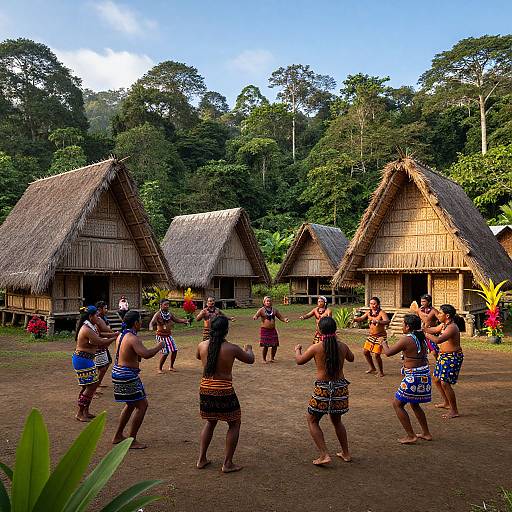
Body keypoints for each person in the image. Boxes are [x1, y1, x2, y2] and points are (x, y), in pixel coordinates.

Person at [196, 316, 254, 473]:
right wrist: (249, 348)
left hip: (206, 388)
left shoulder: (202, 345)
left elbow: (198, 356)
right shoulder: (232, 348)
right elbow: (250, 359)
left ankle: (201, 459)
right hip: (223, 389)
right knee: (234, 423)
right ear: (226, 330)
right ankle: (227, 463)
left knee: (210, 421)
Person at [294, 317, 354, 466]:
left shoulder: (316, 347)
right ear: (335, 330)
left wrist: (297, 350)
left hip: (323, 388)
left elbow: (299, 360)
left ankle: (324, 454)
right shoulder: (342, 346)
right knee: (337, 420)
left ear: (319, 330)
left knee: (312, 420)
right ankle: (346, 453)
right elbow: (351, 358)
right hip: (340, 387)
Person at [112, 310, 165, 449]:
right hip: (127, 375)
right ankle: (131, 439)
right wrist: (160, 346)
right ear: (135, 323)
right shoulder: (132, 338)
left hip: (119, 373)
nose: (141, 322)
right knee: (142, 405)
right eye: (140, 320)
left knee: (130, 404)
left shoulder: (121, 335)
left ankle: (118, 435)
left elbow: (130, 354)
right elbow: (146, 354)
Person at [381, 314, 433, 444]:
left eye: (403, 324)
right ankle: (426, 433)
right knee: (415, 404)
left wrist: (384, 343)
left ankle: (411, 435)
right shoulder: (420, 336)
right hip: (423, 374)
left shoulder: (407, 339)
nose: (402, 326)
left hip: (413, 377)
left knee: (397, 404)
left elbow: (388, 353)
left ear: (408, 326)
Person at [72, 306, 114, 422]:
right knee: (91, 386)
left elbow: (101, 335)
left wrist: (115, 334)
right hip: (82, 360)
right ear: (90, 316)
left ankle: (85, 410)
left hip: (87, 359)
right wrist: (115, 338)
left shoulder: (92, 326)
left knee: (89, 386)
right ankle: (80, 413)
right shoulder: (86, 329)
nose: (98, 317)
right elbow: (100, 341)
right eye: (96, 315)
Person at [424, 304, 464, 419]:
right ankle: (446, 403)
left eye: (440, 313)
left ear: (447, 315)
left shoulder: (452, 327)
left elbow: (438, 340)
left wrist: (425, 334)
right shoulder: (444, 325)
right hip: (444, 356)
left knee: (445, 383)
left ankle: (454, 410)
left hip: (452, 357)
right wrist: (423, 327)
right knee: (436, 379)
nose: (438, 315)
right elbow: (433, 329)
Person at [149, 299, 189, 373]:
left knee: (174, 350)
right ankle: (159, 368)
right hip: (160, 336)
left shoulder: (169, 314)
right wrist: (151, 327)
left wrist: (184, 321)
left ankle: (171, 366)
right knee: (165, 352)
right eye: (165, 304)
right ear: (161, 305)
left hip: (168, 335)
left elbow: (176, 320)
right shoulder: (158, 314)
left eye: (168, 304)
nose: (167, 306)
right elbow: (152, 322)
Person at [353, 297, 389, 377]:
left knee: (376, 355)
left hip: (380, 336)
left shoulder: (381, 313)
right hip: (372, 336)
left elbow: (387, 321)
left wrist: (378, 321)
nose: (372, 305)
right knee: (365, 352)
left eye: (374, 303)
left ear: (378, 304)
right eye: (371, 304)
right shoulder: (369, 312)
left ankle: (381, 372)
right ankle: (372, 368)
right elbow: (361, 318)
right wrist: (355, 319)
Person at [253, 296, 289, 363]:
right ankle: (264, 359)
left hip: (272, 330)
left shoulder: (274, 310)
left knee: (274, 345)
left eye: (269, 301)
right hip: (265, 330)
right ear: (264, 302)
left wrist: (285, 320)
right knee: (265, 345)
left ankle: (272, 358)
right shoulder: (261, 310)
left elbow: (280, 317)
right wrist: (255, 317)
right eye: (267, 301)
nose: (268, 302)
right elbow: (256, 315)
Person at [94, 301, 118, 391]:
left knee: (106, 364)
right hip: (99, 345)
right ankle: (94, 387)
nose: (107, 310)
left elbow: (104, 331)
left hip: (103, 344)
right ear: (100, 309)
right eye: (105, 308)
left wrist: (112, 335)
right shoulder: (97, 319)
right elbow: (100, 333)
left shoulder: (103, 318)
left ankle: (98, 383)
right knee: (102, 367)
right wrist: (113, 335)